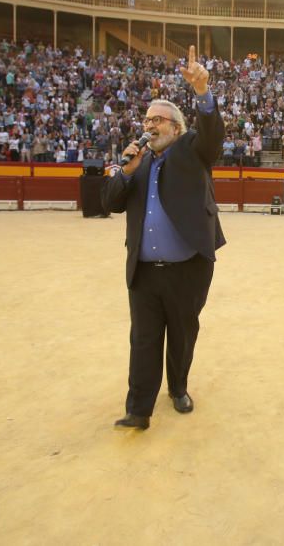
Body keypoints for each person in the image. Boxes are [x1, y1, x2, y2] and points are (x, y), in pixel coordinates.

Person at [104, 46, 225, 431]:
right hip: (143, 270)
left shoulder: (190, 149)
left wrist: (203, 93)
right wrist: (124, 171)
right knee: (143, 339)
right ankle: (139, 410)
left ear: (176, 128)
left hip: (187, 267)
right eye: (147, 118)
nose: (150, 125)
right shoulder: (136, 160)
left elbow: (213, 139)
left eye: (159, 120)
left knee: (182, 335)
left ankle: (178, 387)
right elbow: (111, 203)